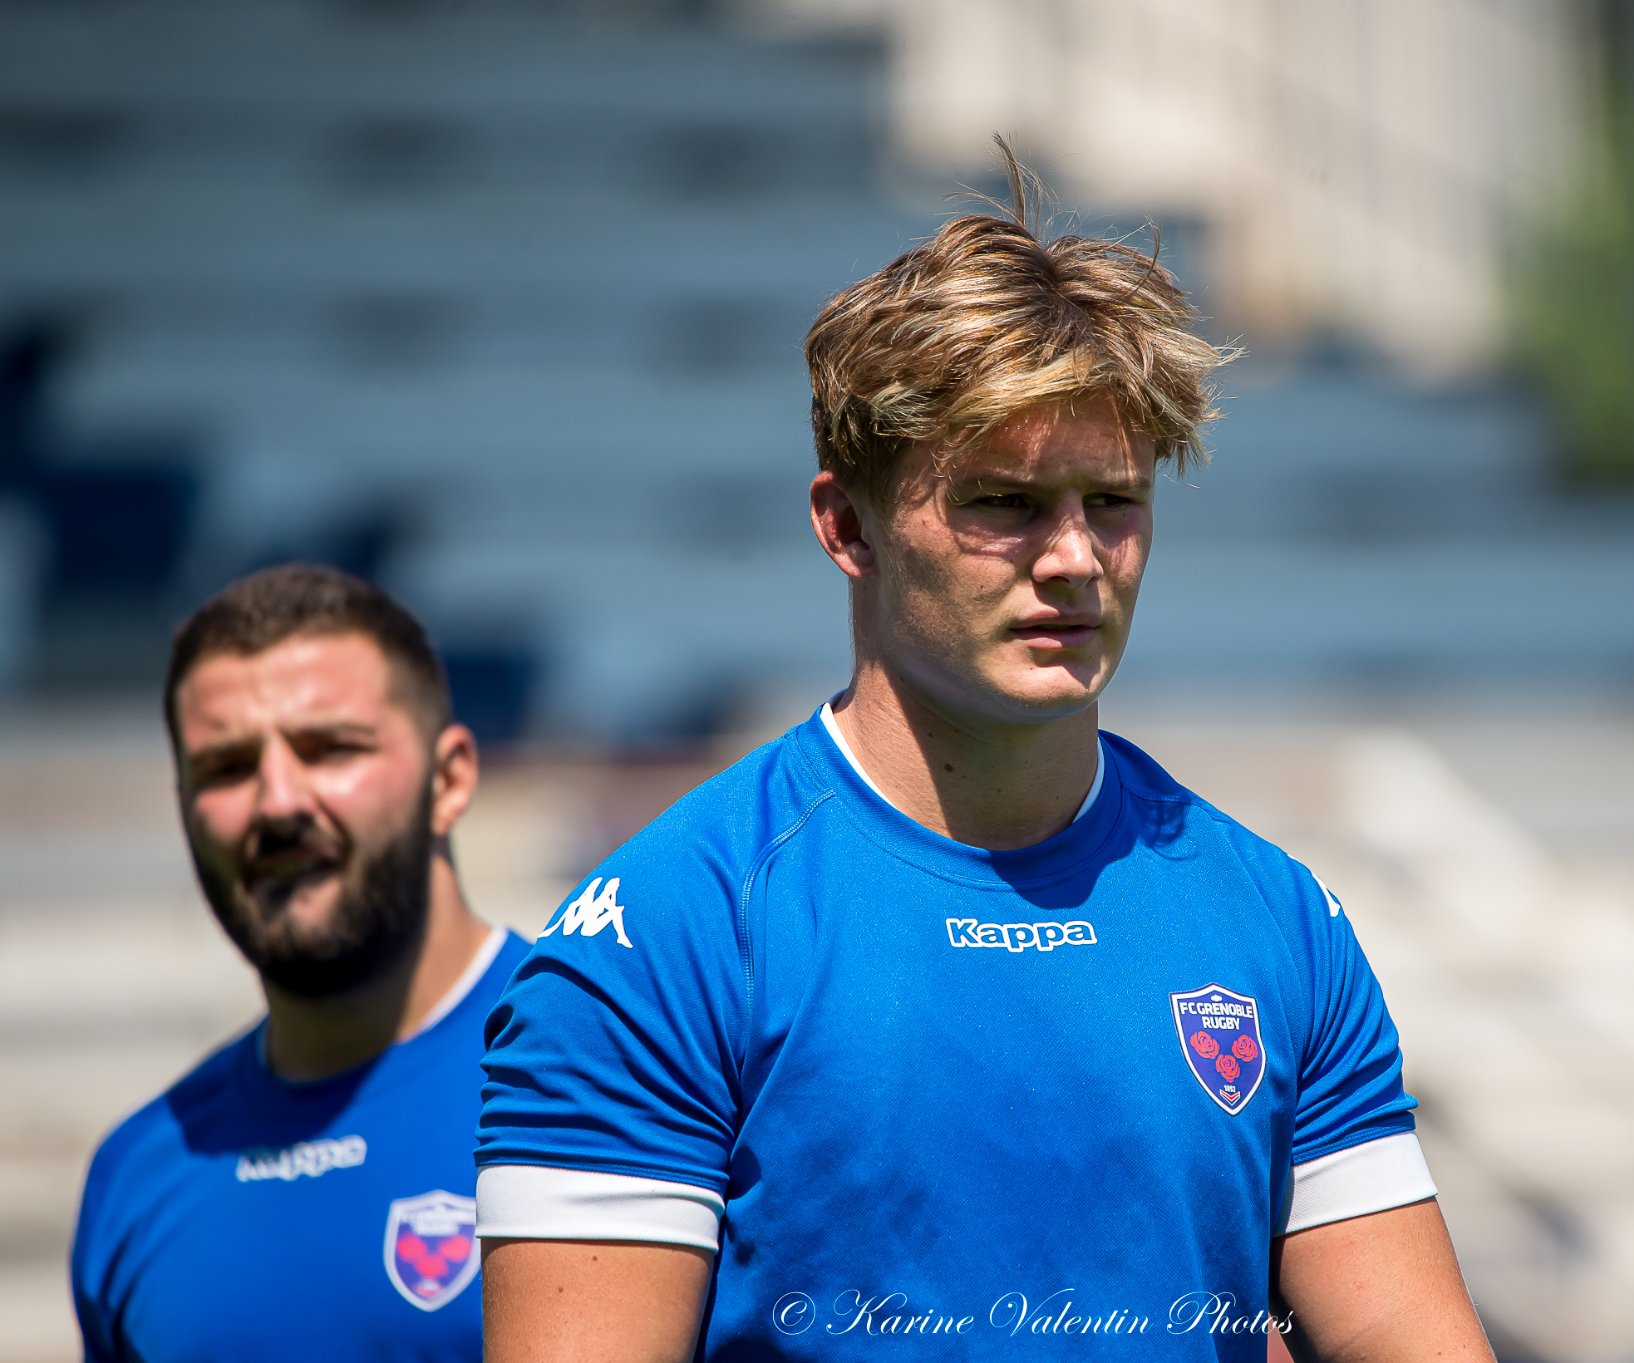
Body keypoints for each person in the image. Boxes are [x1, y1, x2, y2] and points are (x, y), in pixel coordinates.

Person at [476, 152, 1496, 1363]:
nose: (1072, 557)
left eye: (1110, 501)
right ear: (845, 524)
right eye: (1004, 504)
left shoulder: (1271, 916)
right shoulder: (665, 938)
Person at [71, 564, 525, 1362]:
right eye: (228, 766)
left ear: (448, 779)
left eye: (328, 748)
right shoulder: (136, 1177)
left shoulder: (616, 1073)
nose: (278, 802)